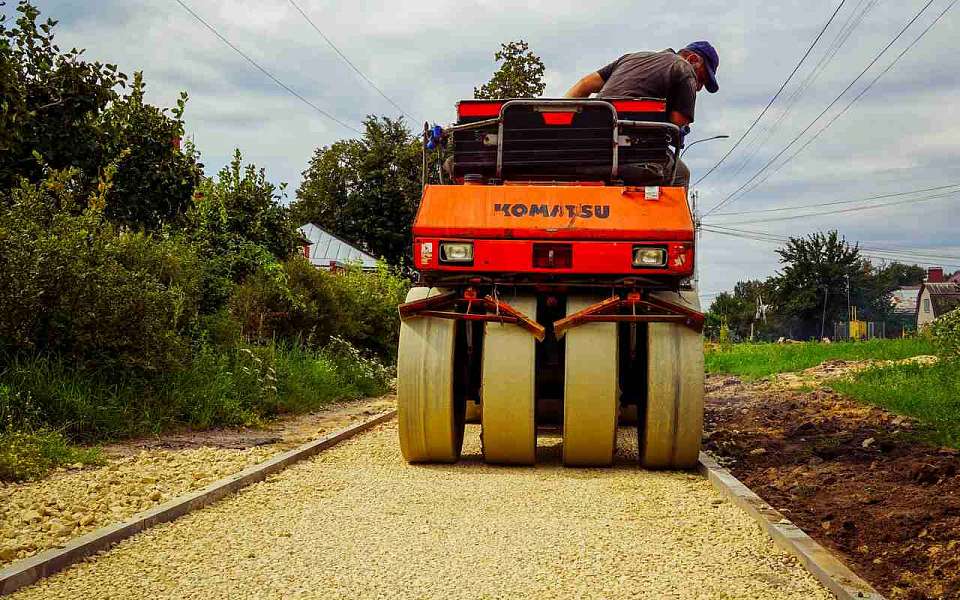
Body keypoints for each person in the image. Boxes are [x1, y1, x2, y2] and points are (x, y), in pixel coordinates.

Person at [564, 41, 720, 187]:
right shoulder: (684, 67)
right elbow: (677, 122)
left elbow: (584, 85)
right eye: (701, 79)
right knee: (681, 174)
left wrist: (561, 123)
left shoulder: (631, 59)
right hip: (639, 154)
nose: (698, 88)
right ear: (693, 59)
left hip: (591, 147)